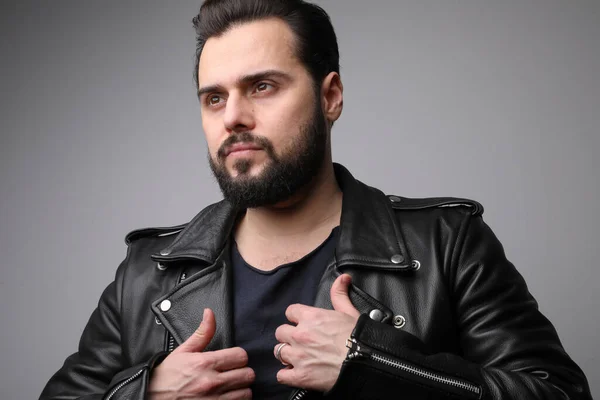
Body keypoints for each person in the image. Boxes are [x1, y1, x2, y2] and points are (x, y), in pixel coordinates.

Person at [40, 0, 592, 399]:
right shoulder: (148, 272)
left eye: (262, 86)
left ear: (330, 96)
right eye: (214, 97)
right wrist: (147, 395)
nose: (232, 116)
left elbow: (557, 393)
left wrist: (374, 365)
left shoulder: (445, 243)